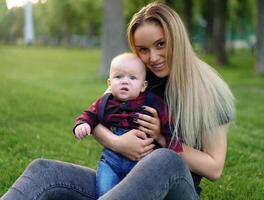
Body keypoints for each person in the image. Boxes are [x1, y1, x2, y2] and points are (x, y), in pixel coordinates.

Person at [1, 2, 234, 200]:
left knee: (165, 159)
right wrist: (118, 143)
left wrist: (162, 137)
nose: (153, 57)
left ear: (177, 38)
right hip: (126, 183)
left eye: (161, 44)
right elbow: (98, 116)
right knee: (43, 171)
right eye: (143, 49)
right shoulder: (137, 77)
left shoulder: (208, 90)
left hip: (175, 188)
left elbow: (214, 168)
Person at [73, 52, 182, 197]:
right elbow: (90, 114)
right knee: (105, 193)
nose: (125, 81)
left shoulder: (152, 102)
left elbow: (169, 124)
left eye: (132, 78)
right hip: (111, 162)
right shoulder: (105, 101)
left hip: (141, 162)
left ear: (143, 86)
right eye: (119, 77)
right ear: (109, 84)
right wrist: (83, 124)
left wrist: (173, 146)